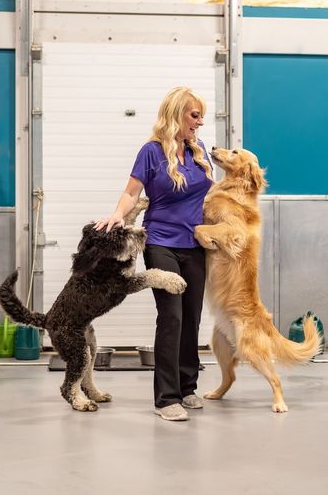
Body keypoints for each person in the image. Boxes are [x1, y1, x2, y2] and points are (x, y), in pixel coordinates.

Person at [94, 86, 213, 422]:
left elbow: (208, 197)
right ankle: (166, 398)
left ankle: (188, 387)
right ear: (176, 114)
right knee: (172, 316)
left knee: (192, 317)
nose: (200, 122)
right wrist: (118, 215)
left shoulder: (198, 150)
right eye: (194, 115)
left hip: (196, 245)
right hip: (161, 242)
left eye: (201, 115)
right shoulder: (151, 152)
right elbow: (132, 193)